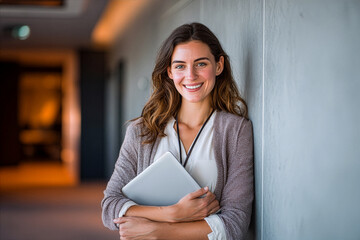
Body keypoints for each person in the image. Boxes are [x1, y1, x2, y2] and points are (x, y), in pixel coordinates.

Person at [102, 22, 254, 240]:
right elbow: (109, 206)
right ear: (170, 72)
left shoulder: (236, 131)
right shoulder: (142, 131)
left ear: (219, 66)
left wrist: (158, 230)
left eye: (201, 64)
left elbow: (235, 222)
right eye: (180, 66)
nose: (190, 75)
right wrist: (172, 214)